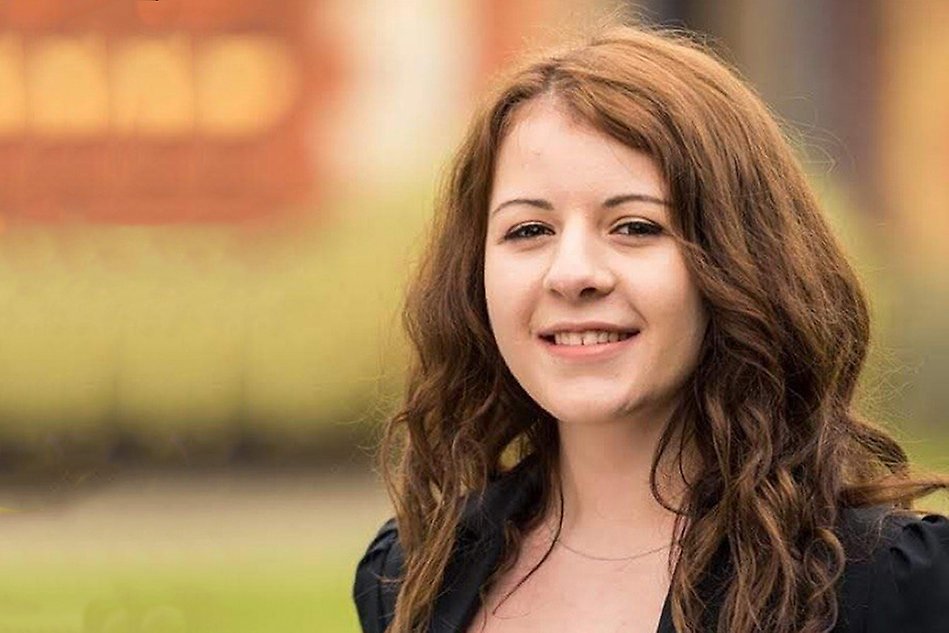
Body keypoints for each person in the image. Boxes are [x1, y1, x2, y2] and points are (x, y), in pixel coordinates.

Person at [353, 24, 949, 633]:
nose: (573, 274)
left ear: (739, 260)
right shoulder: (411, 575)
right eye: (529, 230)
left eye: (635, 226)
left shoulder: (892, 586)